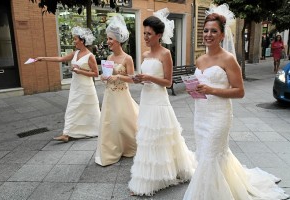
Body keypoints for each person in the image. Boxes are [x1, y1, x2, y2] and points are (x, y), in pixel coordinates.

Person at [183, 4, 289, 200]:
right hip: (201, 114)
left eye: (213, 31)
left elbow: (240, 91)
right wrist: (195, 90)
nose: (208, 34)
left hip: (218, 116)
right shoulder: (200, 59)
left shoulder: (228, 59)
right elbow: (202, 84)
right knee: (207, 154)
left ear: (222, 35)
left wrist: (211, 90)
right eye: (206, 30)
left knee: (210, 155)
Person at [128, 8, 196, 196]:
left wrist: (149, 76)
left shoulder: (165, 54)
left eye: (149, 34)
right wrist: (138, 79)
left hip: (159, 99)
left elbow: (168, 82)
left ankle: (157, 178)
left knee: (160, 137)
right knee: (147, 138)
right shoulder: (144, 54)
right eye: (144, 33)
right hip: (147, 98)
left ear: (159, 35)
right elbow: (146, 77)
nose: (145, 37)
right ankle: (149, 176)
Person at [36, 26, 101, 142]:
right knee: (72, 108)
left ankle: (94, 129)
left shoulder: (90, 56)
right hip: (76, 86)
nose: (74, 41)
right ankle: (67, 133)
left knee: (87, 109)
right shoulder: (75, 53)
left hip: (86, 87)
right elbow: (60, 59)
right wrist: (43, 58)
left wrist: (79, 70)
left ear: (82, 41)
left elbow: (96, 74)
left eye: (75, 39)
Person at [95, 15, 139, 166]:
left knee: (123, 120)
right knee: (110, 121)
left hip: (122, 94)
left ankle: (127, 146)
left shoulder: (128, 58)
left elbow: (133, 79)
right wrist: (103, 77)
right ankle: (111, 149)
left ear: (118, 41)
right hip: (109, 95)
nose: (108, 42)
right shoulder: (109, 56)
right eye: (107, 39)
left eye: (110, 39)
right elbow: (108, 75)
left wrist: (118, 77)